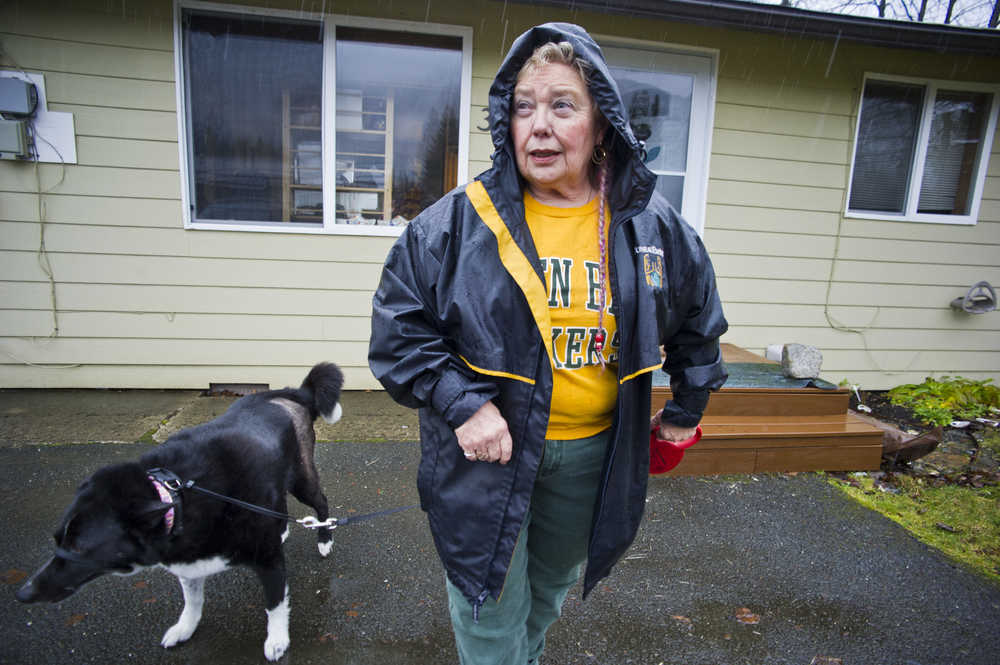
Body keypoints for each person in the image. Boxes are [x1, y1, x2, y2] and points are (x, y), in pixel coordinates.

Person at [368, 22, 728, 664]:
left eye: (563, 106)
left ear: (601, 124)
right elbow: (399, 331)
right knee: (486, 602)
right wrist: (463, 405)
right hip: (485, 455)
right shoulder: (457, 223)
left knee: (546, 591)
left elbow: (697, 322)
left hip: (592, 456)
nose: (538, 126)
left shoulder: (649, 225)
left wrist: (684, 413)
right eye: (523, 107)